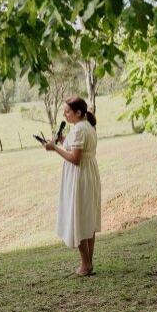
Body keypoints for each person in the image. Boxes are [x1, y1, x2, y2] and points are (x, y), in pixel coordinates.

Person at [44, 96, 101, 276]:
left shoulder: (78, 130)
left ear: (78, 113)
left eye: (67, 111)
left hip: (80, 176)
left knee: (78, 219)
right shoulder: (88, 127)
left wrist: (55, 149)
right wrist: (62, 141)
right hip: (89, 173)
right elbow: (78, 150)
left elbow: (75, 159)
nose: (65, 114)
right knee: (87, 219)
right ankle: (88, 263)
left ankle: (85, 264)